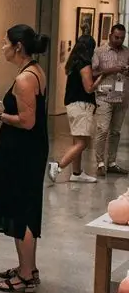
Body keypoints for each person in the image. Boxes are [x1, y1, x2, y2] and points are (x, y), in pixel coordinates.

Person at [0, 24, 50, 293]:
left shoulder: (24, 79)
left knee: (22, 210)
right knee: (26, 207)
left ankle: (25, 275)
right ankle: (27, 267)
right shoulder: (34, 71)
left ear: (18, 46)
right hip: (29, 148)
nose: (2, 46)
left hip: (23, 150)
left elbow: (26, 121)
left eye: (5, 42)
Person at [47, 34, 97, 185]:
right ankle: (59, 166)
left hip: (72, 105)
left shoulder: (73, 63)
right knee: (83, 143)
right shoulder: (85, 63)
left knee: (77, 140)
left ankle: (76, 173)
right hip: (82, 105)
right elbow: (89, 88)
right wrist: (102, 77)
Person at [92, 23, 128, 176]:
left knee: (116, 132)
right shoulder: (99, 52)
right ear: (110, 36)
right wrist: (109, 70)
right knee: (103, 130)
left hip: (122, 97)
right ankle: (100, 163)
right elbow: (93, 73)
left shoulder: (127, 52)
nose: (119, 40)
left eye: (122, 38)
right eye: (116, 37)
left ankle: (112, 162)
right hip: (104, 97)